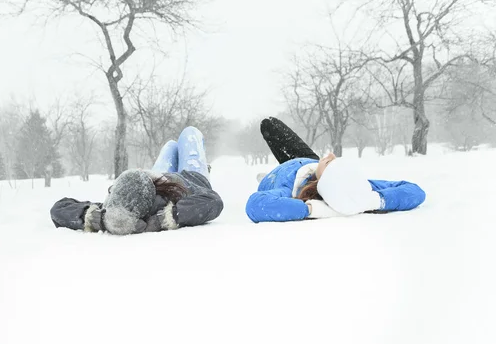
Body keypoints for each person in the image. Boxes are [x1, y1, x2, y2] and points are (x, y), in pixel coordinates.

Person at [246, 117, 426, 223]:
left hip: (278, 178)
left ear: (324, 182)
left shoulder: (290, 191)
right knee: (269, 124)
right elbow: (415, 192)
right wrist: (374, 201)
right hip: (308, 162)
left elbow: (255, 205)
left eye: (330, 163)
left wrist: (311, 210)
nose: (331, 154)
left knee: (268, 130)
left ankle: (266, 174)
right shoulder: (357, 187)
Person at [50, 126, 224, 235]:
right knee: (189, 133)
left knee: (170, 145)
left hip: (158, 175)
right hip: (193, 177)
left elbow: (59, 209)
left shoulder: (117, 204)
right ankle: (202, 166)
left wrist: (98, 219)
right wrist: (166, 218)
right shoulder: (170, 199)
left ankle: (158, 171)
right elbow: (213, 200)